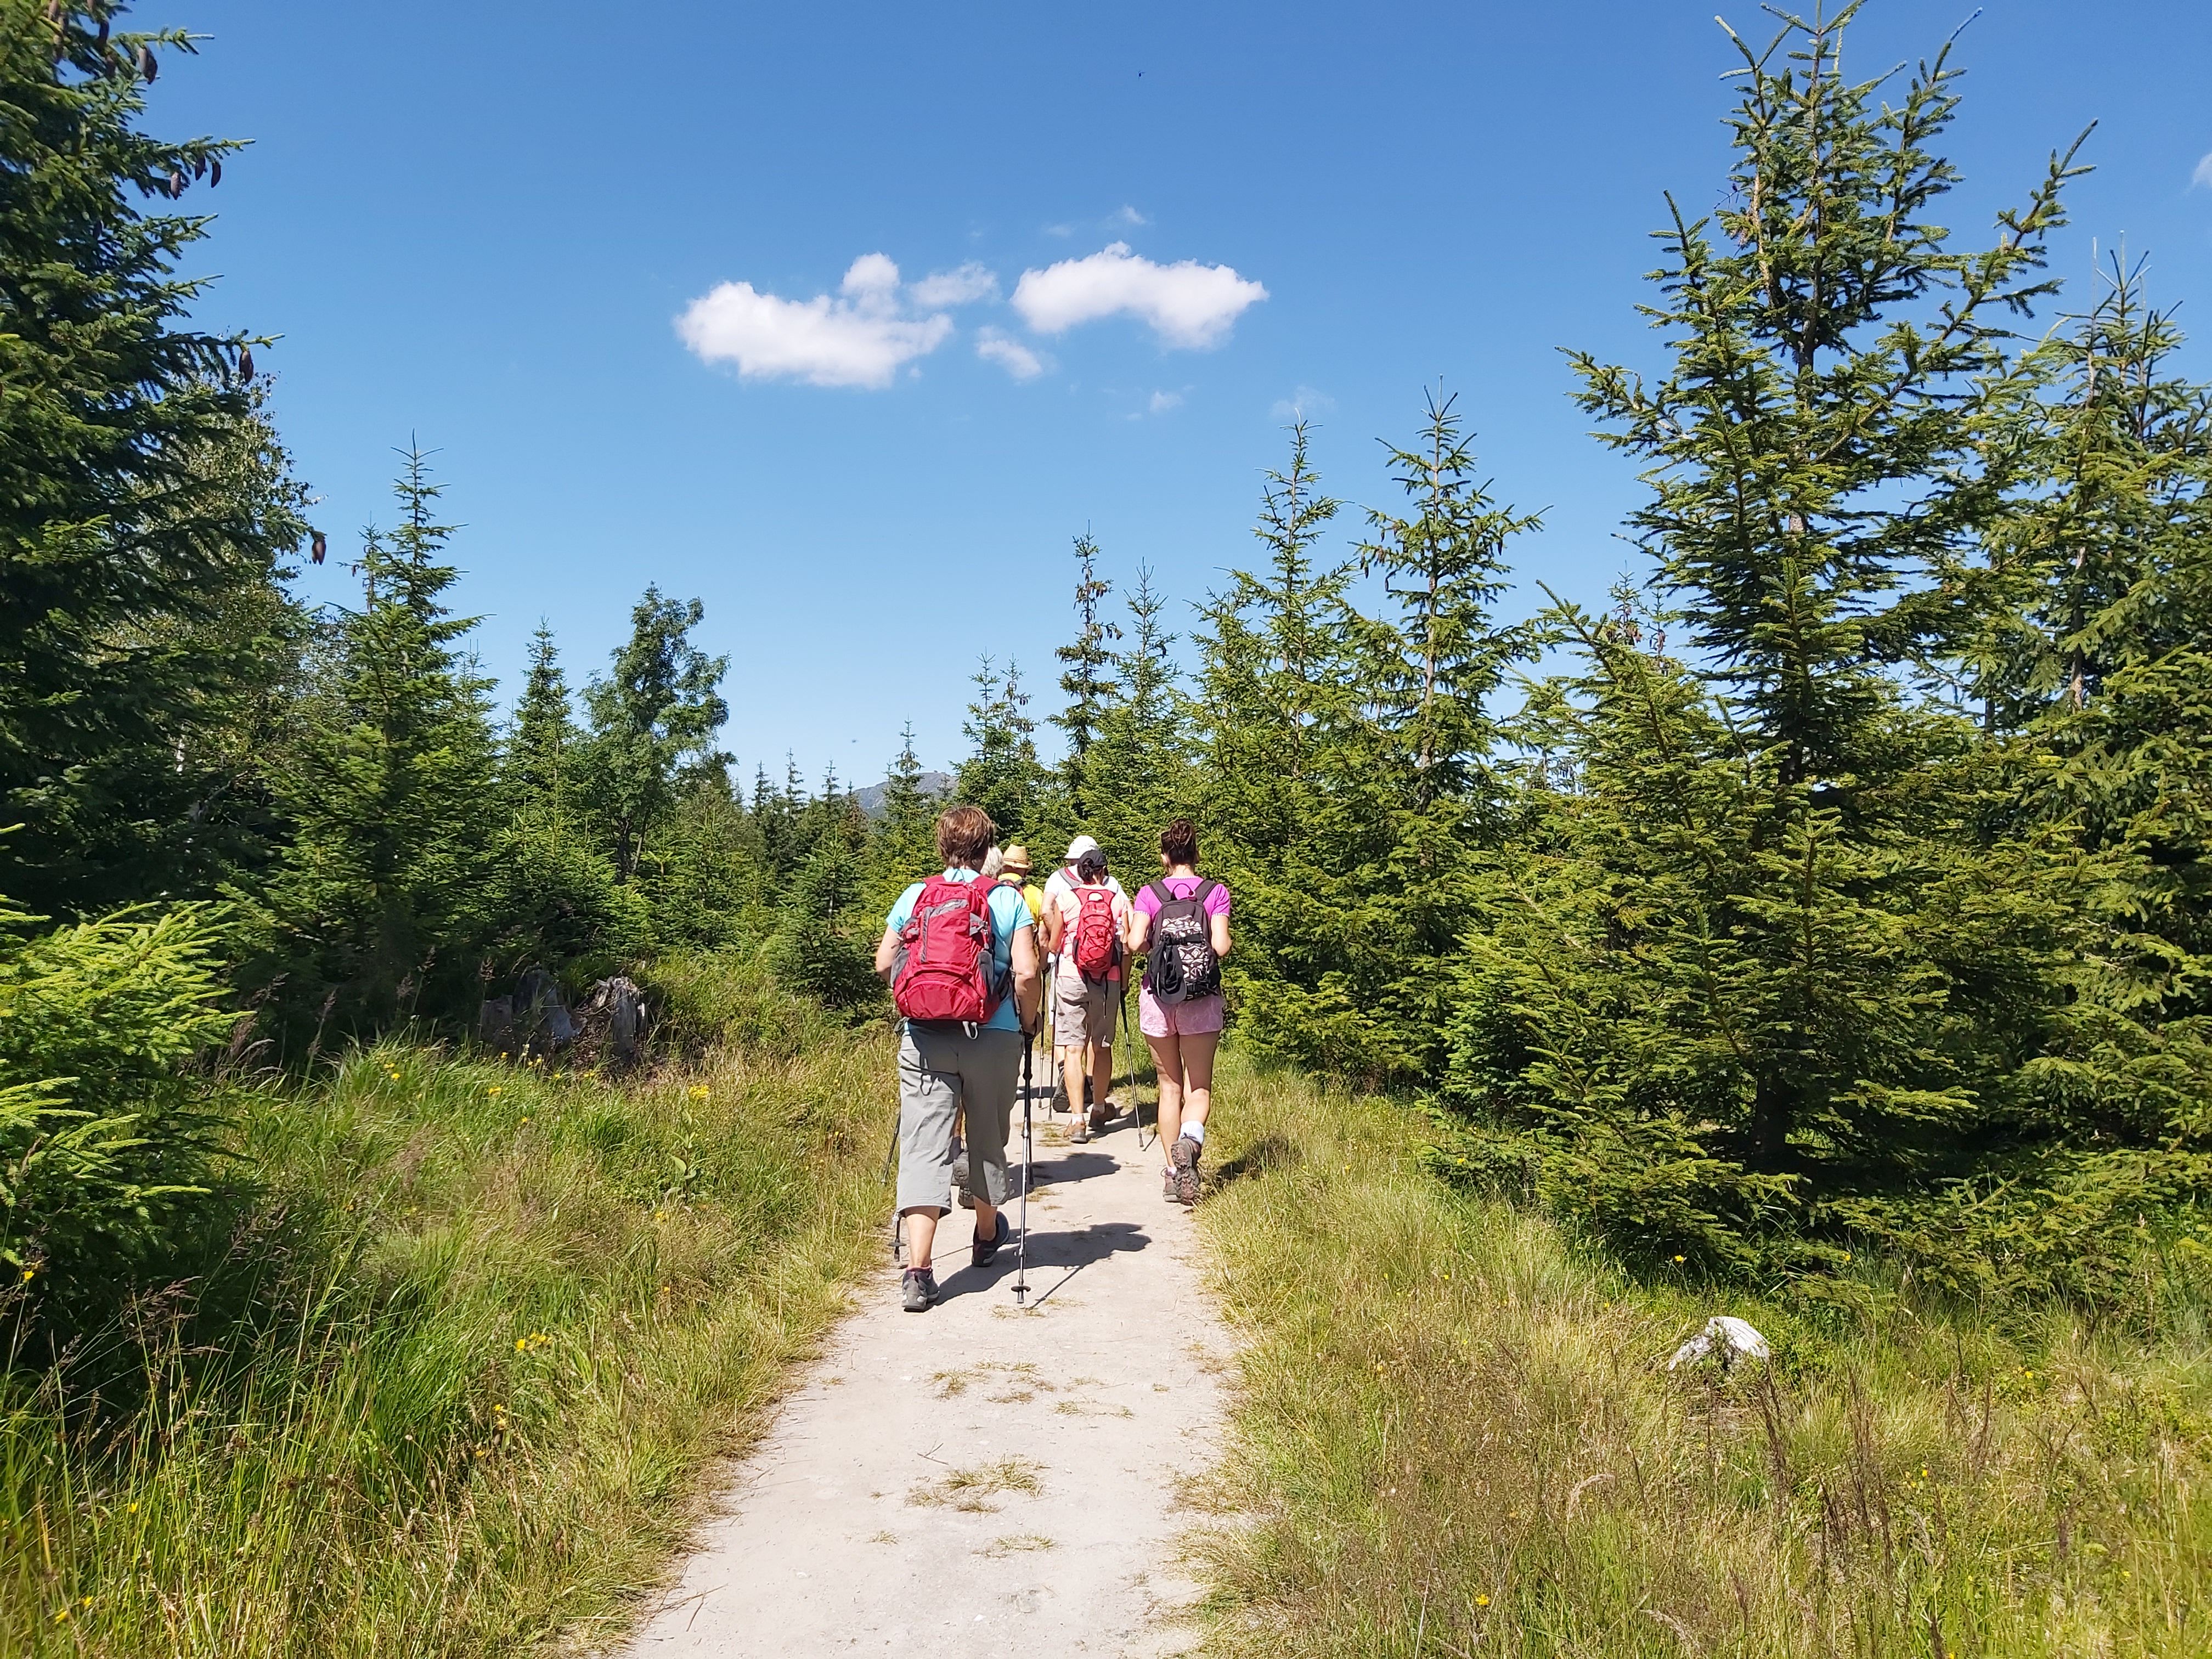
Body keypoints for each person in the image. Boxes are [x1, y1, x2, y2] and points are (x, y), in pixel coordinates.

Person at [875, 805, 1042, 1312]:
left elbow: (885, 962)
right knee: (988, 1139)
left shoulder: (915, 895)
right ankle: (987, 1235)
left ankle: (919, 1272)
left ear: (941, 844)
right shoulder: (1008, 899)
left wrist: (923, 999)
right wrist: (1028, 1023)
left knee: (925, 1146)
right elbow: (1028, 975)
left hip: (925, 1036)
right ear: (988, 848)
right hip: (993, 1036)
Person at [1125, 817, 1231, 1206]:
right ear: (1195, 852)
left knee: (1168, 1088)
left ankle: (1173, 1172)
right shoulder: (1215, 892)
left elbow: (1136, 942)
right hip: (1202, 997)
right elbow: (1219, 947)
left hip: (1158, 996)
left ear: (1164, 855)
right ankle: (1191, 1141)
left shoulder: (1149, 893)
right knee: (1198, 1087)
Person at [1039, 845, 1132, 1143]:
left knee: (1073, 1049)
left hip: (1071, 976)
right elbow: (1127, 947)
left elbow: (1054, 946)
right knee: (1102, 1046)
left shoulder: (1066, 899)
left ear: (1080, 871)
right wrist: (1124, 982)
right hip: (1108, 981)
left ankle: (1078, 1121)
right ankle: (1100, 1108)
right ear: (1104, 871)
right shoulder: (1118, 900)